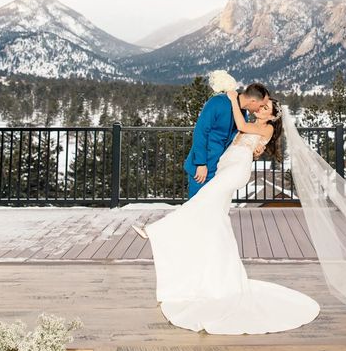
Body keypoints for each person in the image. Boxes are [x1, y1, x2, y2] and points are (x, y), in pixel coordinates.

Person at [131, 88, 320, 334]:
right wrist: (255, 145)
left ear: (273, 116)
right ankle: (218, 275)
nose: (261, 109)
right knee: (215, 216)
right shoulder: (254, 124)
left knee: (203, 201)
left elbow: (241, 124)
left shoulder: (264, 127)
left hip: (235, 170)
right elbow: (232, 133)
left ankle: (154, 230)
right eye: (261, 105)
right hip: (226, 165)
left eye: (266, 108)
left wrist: (233, 100)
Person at [183, 82, 270, 198]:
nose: (260, 109)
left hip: (221, 169)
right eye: (261, 105)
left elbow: (239, 142)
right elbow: (200, 132)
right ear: (253, 101)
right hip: (202, 168)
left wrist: (255, 152)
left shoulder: (242, 116)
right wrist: (201, 163)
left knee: (213, 208)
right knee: (195, 206)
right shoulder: (217, 102)